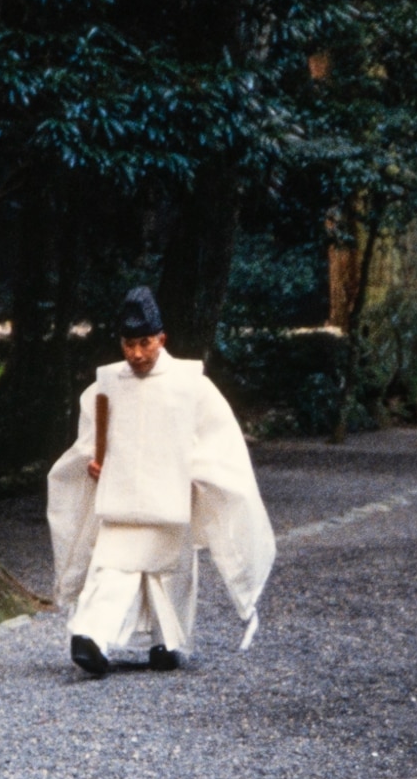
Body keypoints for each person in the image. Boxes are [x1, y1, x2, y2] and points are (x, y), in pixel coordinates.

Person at [44, 286, 275, 679]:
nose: (136, 353)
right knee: (110, 569)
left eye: (145, 343)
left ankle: (166, 643)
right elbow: (91, 438)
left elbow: (219, 440)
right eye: (129, 344)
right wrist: (94, 461)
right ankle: (90, 638)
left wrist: (204, 474)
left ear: (161, 339)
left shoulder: (192, 384)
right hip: (120, 501)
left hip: (170, 499)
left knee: (169, 574)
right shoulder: (106, 385)